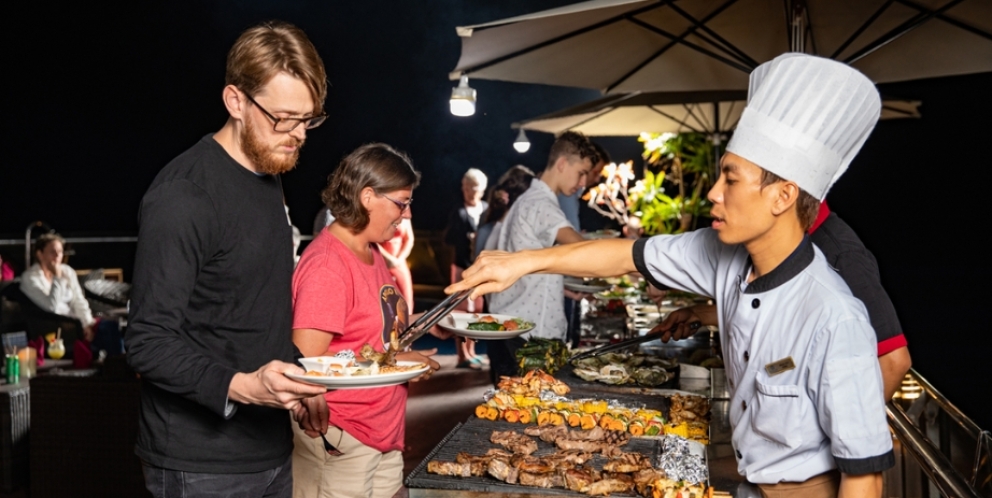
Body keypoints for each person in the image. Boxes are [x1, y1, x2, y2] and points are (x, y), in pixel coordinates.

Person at [450, 54, 894, 497]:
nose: (713, 193)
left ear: (782, 196)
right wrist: (522, 261)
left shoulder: (837, 318)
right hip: (746, 483)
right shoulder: (723, 256)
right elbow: (624, 255)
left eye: (731, 180)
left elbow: (864, 477)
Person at [125, 21, 330, 498]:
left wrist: (298, 381)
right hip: (198, 466)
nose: (298, 134)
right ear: (235, 101)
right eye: (283, 118)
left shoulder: (268, 171)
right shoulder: (184, 195)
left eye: (308, 119)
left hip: (270, 447)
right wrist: (243, 386)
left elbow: (250, 308)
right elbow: (146, 341)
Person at [290, 143, 441, 498]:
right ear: (368, 197)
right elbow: (307, 366)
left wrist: (434, 320)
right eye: (401, 203)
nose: (404, 215)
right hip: (342, 436)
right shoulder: (328, 266)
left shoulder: (371, 252)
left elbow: (375, 333)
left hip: (382, 431)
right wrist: (397, 362)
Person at [656, 200, 912, 400]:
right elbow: (783, 313)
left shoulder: (841, 254)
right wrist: (702, 314)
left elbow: (894, 360)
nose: (716, 193)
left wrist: (843, 447)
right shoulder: (790, 241)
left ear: (784, 193)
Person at [487, 131, 600, 382]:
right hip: (528, 338)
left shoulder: (530, 198)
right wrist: (637, 264)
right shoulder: (541, 204)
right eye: (581, 172)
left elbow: (531, 263)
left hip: (515, 330)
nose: (583, 182)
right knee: (524, 415)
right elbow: (584, 251)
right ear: (562, 164)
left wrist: (564, 289)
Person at [444, 168, 488, 368]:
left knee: (477, 312)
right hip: (462, 268)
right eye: (466, 187)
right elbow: (449, 240)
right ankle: (462, 355)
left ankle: (472, 351)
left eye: (474, 187)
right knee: (461, 312)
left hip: (481, 269)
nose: (469, 191)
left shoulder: (487, 210)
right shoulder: (458, 213)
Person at [20, 233, 96, 342]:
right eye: (52, 252)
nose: (57, 256)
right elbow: (52, 307)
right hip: (54, 328)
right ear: (40, 254)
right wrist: (57, 278)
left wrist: (87, 325)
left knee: (110, 326)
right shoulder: (30, 278)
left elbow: (78, 300)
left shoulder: (67, 271)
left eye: (60, 252)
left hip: (77, 324)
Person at [380, 218, 415, 310]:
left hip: (399, 263)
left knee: (406, 300)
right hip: (380, 260)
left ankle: (406, 324)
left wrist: (399, 259)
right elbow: (370, 239)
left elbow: (409, 239)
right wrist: (388, 259)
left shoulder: (405, 214)